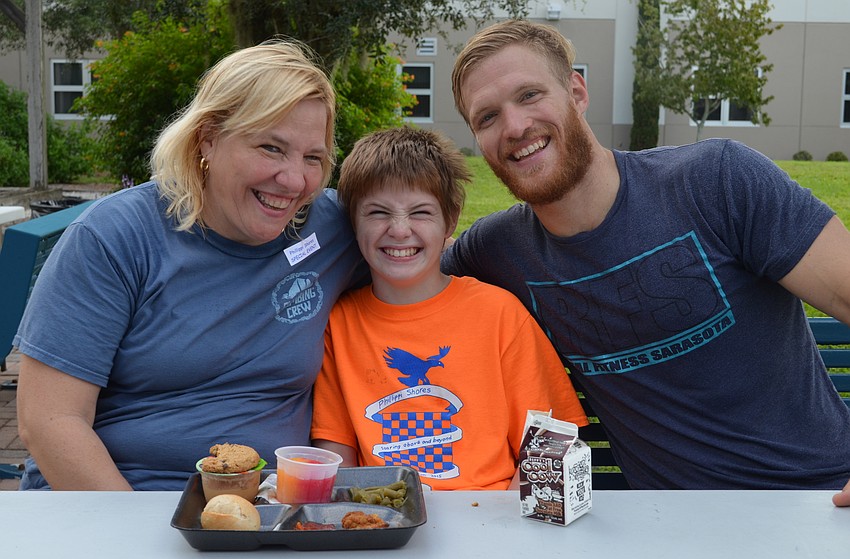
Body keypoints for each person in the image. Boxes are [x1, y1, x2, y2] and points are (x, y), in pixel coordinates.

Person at [442, 19, 850, 499]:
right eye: (486, 117)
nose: (514, 127)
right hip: (663, 527)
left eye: (530, 95)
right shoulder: (498, 249)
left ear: (576, 91)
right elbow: (395, 269)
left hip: (821, 500)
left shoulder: (715, 181)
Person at [14, 40, 366, 491]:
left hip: (264, 510)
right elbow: (49, 421)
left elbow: (429, 267)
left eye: (312, 158)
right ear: (208, 138)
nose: (295, 180)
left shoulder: (332, 230)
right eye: (271, 148)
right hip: (118, 498)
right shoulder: (117, 237)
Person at [310, 126, 587, 490]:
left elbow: (551, 441)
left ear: (451, 220)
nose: (398, 230)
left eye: (420, 212)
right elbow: (335, 452)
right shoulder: (339, 324)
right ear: (353, 223)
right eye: (378, 212)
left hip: (492, 523)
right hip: (387, 523)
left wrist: (511, 523)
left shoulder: (499, 314)